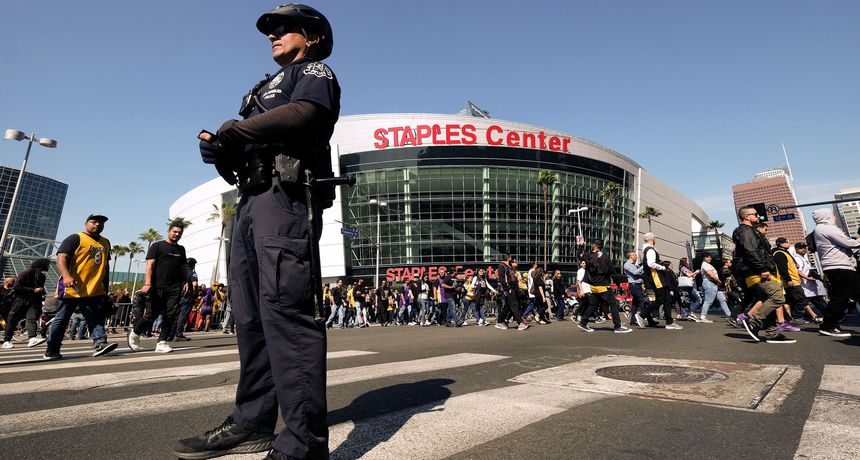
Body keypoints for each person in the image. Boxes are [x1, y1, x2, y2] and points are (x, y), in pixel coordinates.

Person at [175, 5, 339, 459]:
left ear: (312, 37)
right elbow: (243, 147)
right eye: (270, 30)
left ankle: (303, 444)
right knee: (250, 319)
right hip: (250, 200)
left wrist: (237, 129)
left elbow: (305, 114)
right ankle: (252, 422)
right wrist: (220, 149)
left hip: (285, 199)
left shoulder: (314, 72)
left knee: (287, 313)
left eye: (284, 28)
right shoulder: (258, 89)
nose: (273, 35)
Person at [45, 214, 118, 359]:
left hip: (94, 289)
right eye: (93, 222)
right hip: (72, 288)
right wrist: (66, 276)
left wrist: (105, 287)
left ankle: (100, 343)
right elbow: (61, 257)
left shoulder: (105, 242)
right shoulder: (75, 238)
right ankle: (52, 349)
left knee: (95, 318)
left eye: (101, 223)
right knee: (62, 319)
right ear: (86, 224)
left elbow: (105, 265)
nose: (97, 224)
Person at [732, 206, 795, 343]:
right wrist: (762, 268)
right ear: (746, 217)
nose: (758, 216)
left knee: (768, 300)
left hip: (760, 271)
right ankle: (753, 320)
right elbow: (751, 251)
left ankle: (772, 333)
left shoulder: (751, 231)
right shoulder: (745, 231)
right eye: (755, 214)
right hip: (756, 272)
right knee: (777, 297)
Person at [128, 223, 190, 354]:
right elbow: (149, 265)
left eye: (179, 232)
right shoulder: (157, 246)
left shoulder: (181, 249)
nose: (177, 234)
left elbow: (183, 267)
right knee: (151, 315)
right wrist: (147, 283)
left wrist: (186, 281)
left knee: (170, 315)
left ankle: (162, 342)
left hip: (174, 288)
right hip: (157, 287)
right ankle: (135, 333)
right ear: (168, 231)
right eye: (175, 231)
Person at [810, 208, 860, 337]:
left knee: (850, 295)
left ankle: (831, 324)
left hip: (841, 266)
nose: (834, 217)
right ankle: (829, 325)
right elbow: (847, 242)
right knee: (840, 298)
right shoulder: (826, 228)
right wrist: (858, 241)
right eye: (832, 215)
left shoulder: (822, 229)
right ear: (826, 216)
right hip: (839, 267)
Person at [577, 240, 631, 333]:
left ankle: (583, 322)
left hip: (593, 285)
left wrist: (581, 245)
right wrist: (618, 283)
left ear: (593, 246)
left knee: (593, 303)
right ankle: (617, 326)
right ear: (601, 247)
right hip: (602, 285)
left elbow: (579, 255)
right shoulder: (604, 257)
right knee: (613, 303)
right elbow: (612, 272)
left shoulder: (588, 255)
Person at [2, 258, 50, 350]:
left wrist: (41, 293)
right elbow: (17, 286)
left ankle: (32, 338)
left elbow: (39, 288)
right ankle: (6, 341)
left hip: (34, 301)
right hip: (21, 300)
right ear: (41, 265)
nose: (48, 267)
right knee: (13, 319)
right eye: (46, 265)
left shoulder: (42, 276)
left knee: (32, 318)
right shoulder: (27, 273)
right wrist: (33, 290)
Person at [636, 233, 682, 330]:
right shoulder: (650, 250)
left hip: (656, 277)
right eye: (655, 238)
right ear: (652, 239)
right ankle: (642, 315)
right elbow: (651, 263)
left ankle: (669, 322)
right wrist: (662, 268)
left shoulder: (647, 249)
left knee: (667, 299)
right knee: (661, 299)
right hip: (656, 277)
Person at [698, 253, 731, 322]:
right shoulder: (705, 265)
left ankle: (729, 315)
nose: (709, 258)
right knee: (708, 301)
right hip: (709, 283)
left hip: (714, 284)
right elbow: (711, 274)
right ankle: (702, 317)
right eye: (707, 257)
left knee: (722, 299)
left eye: (710, 257)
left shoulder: (708, 265)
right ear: (703, 258)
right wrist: (719, 281)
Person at [623, 252, 646, 328]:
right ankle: (643, 316)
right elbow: (635, 273)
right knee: (641, 300)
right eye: (635, 255)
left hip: (637, 285)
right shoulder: (627, 264)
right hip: (633, 285)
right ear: (630, 256)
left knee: (635, 303)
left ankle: (633, 320)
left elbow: (640, 273)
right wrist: (643, 266)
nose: (636, 256)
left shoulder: (635, 265)